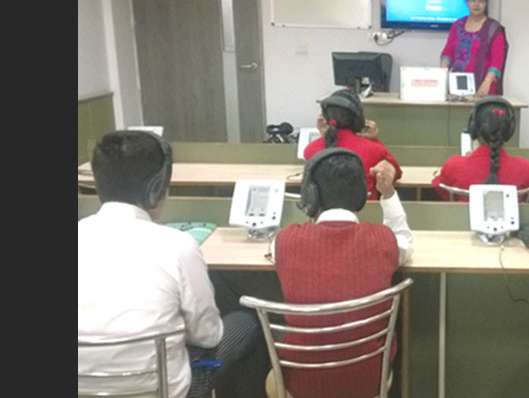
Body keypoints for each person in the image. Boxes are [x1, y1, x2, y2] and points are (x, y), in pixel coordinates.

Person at [78, 131, 267, 398]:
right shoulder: (178, 245)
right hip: (164, 391)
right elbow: (208, 336)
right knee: (247, 320)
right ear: (156, 189)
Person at [272, 148, 412, 398]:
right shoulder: (383, 240)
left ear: (311, 195)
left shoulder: (286, 241)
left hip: (303, 383)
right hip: (369, 380)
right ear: (361, 194)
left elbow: (274, 250)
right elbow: (403, 240)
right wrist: (388, 194)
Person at [431, 96, 529, 201]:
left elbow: (440, 189)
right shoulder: (526, 168)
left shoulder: (453, 165)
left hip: (461, 218)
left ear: (473, 128)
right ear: (509, 131)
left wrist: (466, 160)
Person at [303, 89, 403, 199]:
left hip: (324, 215)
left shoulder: (310, 150)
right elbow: (395, 173)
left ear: (325, 118)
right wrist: (374, 140)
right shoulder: (375, 150)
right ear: (359, 119)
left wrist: (325, 136)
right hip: (365, 214)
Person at [440, 0, 508, 97]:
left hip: (483, 89)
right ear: (467, 2)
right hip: (456, 89)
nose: (476, 4)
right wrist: (441, 74)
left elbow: (496, 62)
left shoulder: (493, 29)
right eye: (473, 0)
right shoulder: (457, 25)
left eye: (481, 1)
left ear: (486, 3)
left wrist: (486, 83)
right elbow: (448, 52)